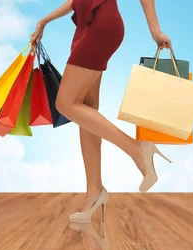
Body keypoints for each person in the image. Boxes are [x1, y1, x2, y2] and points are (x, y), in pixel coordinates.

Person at [31, 0, 172, 223]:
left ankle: (136, 150)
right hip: (89, 26)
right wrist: (43, 21)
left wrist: (155, 30)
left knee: (65, 104)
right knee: (85, 110)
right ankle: (94, 190)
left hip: (100, 24)